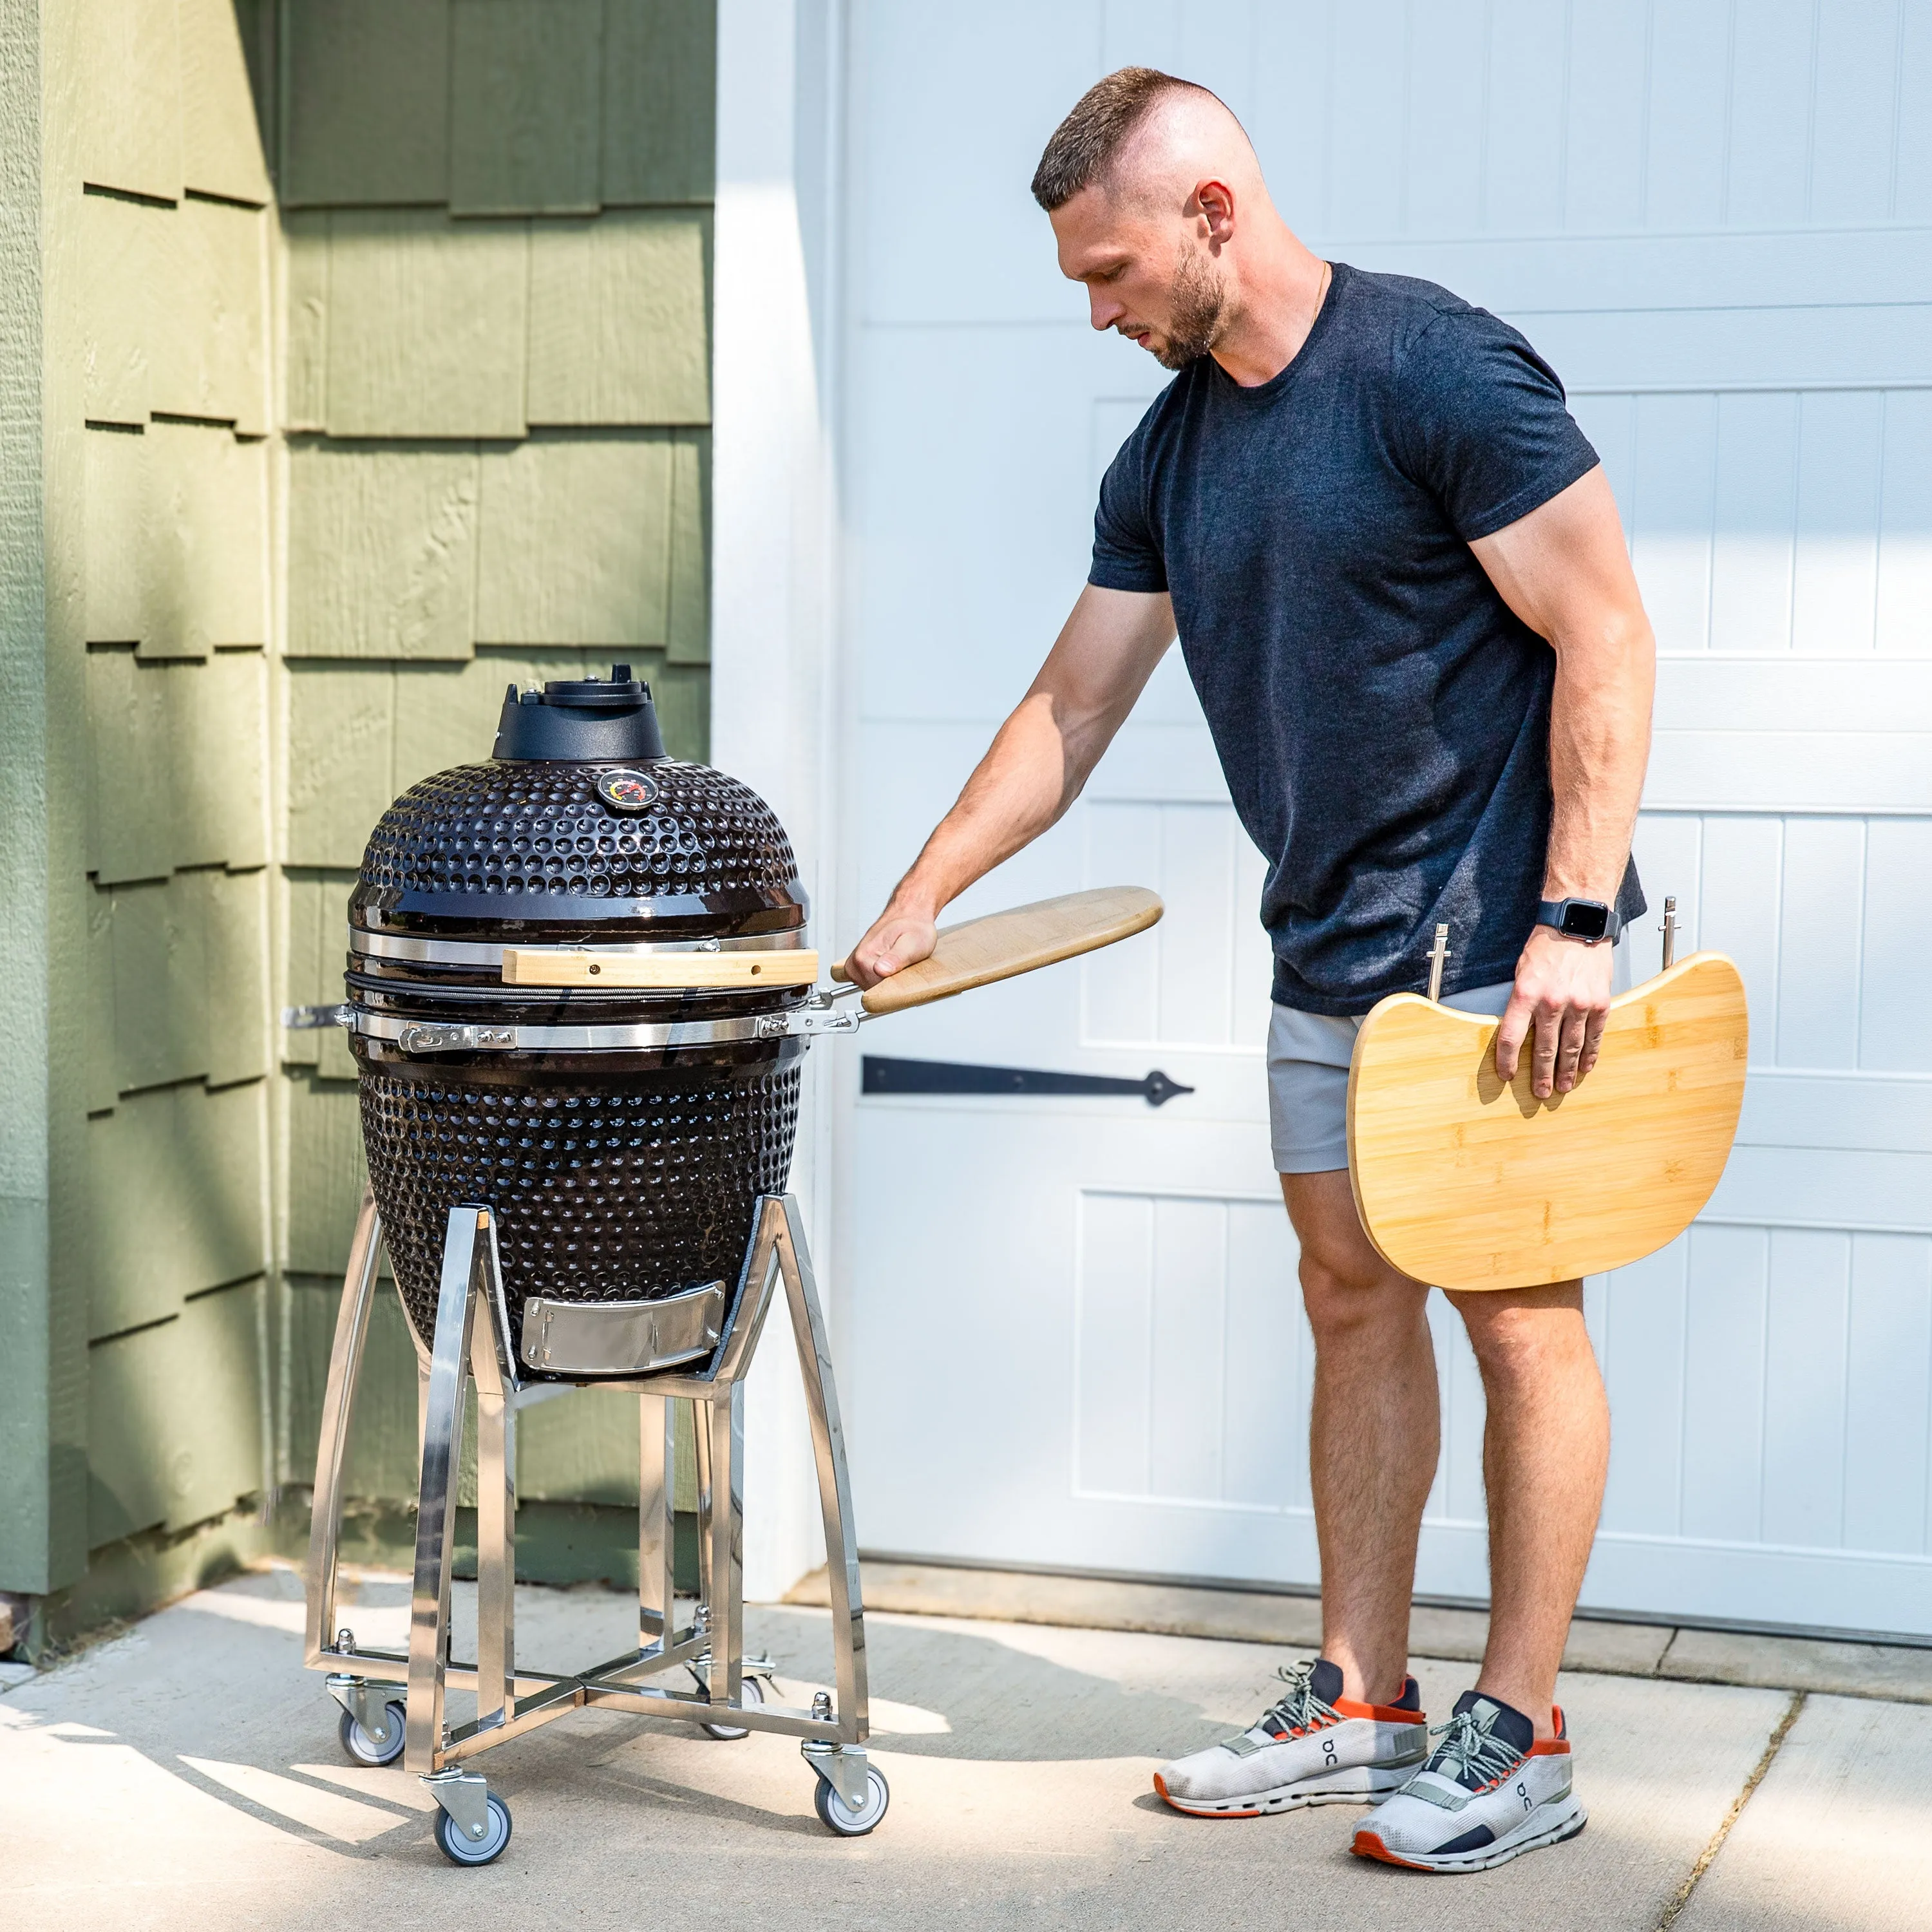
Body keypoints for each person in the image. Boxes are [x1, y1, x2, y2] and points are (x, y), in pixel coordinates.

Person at [844, 68, 1655, 1873]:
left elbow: (1604, 624)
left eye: (1114, 269)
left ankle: (1520, 1733)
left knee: (1518, 1318)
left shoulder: (1433, 372)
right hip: (1328, 944)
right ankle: (1366, 1703)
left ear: (1215, 213)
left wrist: (1579, 922)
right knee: (1348, 1293)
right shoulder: (1170, 452)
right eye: (1082, 280)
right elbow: (1071, 706)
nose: (1098, 309)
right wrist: (916, 902)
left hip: (1499, 946)